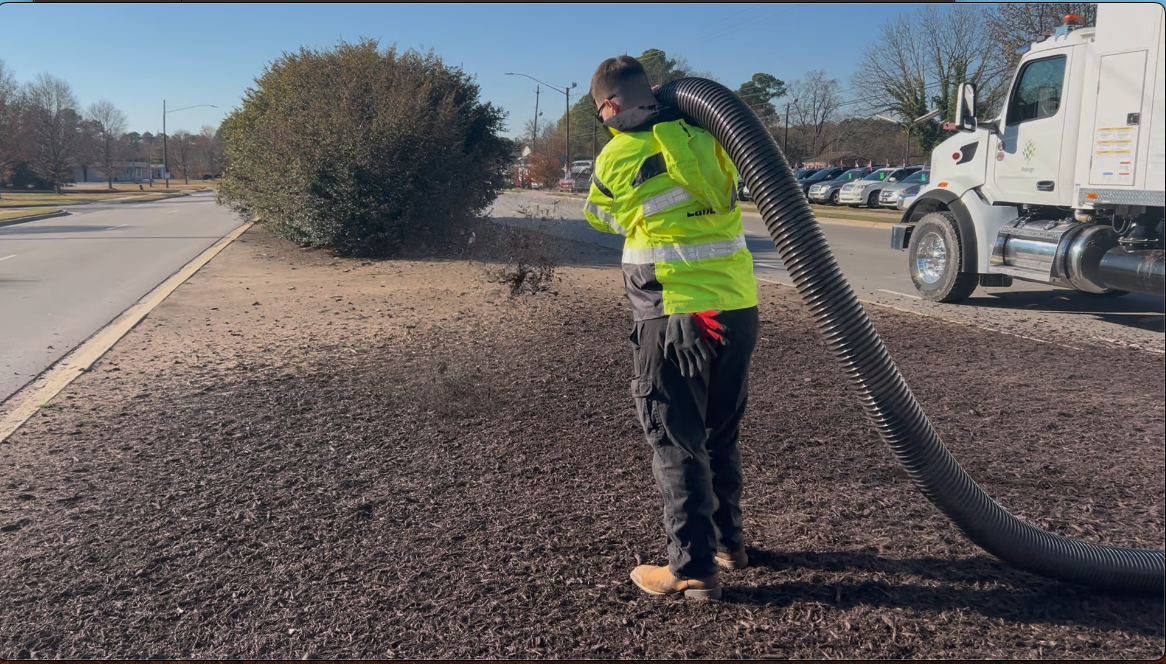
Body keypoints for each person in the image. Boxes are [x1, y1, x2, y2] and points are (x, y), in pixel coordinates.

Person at [582, 56, 760, 600]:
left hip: (675, 317)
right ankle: (729, 544)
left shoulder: (617, 155)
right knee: (718, 433)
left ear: (611, 106)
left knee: (675, 441)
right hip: (737, 309)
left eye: (599, 112)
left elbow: (601, 216)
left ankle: (691, 567)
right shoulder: (711, 137)